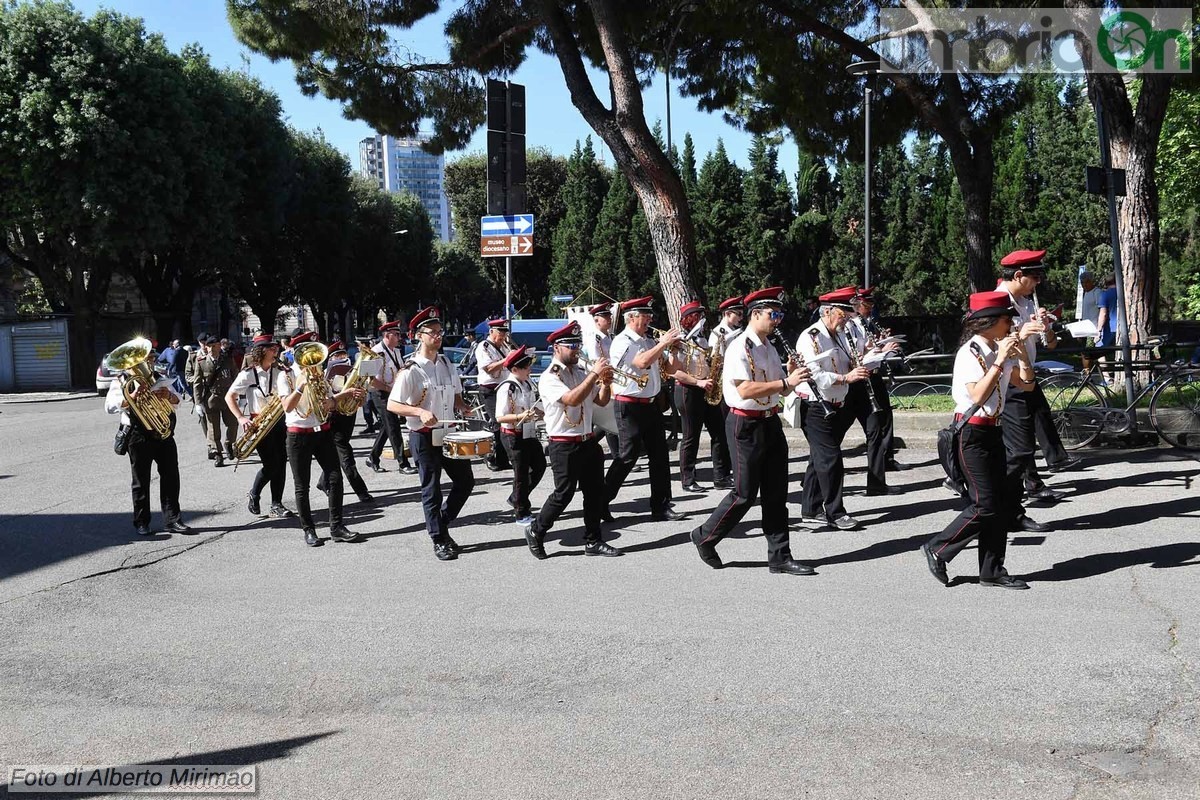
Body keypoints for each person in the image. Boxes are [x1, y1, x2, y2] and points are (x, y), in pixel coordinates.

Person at [688, 288, 814, 575]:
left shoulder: (768, 346)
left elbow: (775, 385)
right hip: (744, 424)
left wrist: (790, 376)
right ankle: (705, 536)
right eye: (773, 314)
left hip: (769, 421)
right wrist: (785, 383)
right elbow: (744, 388)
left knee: (776, 494)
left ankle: (780, 557)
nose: (778, 320)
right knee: (744, 493)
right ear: (755, 314)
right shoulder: (738, 347)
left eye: (780, 314)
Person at [921, 290, 1035, 590]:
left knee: (999, 504)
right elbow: (977, 394)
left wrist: (1021, 357)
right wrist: (999, 360)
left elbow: (1026, 385)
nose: (1012, 323)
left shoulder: (999, 348)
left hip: (993, 431)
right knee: (984, 504)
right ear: (989, 322)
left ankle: (992, 570)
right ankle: (938, 548)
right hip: (970, 432)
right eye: (1007, 318)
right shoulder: (970, 353)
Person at [520, 321, 618, 559]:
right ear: (556, 348)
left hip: (587, 440)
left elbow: (601, 402)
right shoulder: (549, 377)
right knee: (563, 494)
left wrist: (605, 383)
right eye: (570, 346)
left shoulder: (581, 373)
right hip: (564, 442)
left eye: (577, 345)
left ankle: (593, 540)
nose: (576, 350)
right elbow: (572, 400)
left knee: (594, 492)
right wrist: (595, 374)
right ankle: (537, 529)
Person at [387, 307, 476, 562]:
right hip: (424, 436)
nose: (438, 337)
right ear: (418, 336)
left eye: (440, 332)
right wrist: (418, 411)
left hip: (449, 433)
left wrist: (464, 408)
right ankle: (438, 538)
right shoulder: (411, 369)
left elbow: (455, 396)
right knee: (431, 489)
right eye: (432, 333)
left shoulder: (447, 363)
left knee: (465, 482)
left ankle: (441, 523)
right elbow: (393, 404)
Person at [998, 249, 1080, 520]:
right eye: (1034, 277)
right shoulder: (997, 303)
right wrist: (1021, 333)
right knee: (1019, 442)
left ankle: (1037, 480)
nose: (1038, 283)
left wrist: (1046, 328)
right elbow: (996, 349)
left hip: (1026, 373)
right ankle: (1002, 497)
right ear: (1018, 275)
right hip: (1007, 379)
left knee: (1036, 422)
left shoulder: (1026, 303)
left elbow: (1051, 345)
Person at [277, 329, 364, 547]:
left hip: (322, 431)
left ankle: (337, 527)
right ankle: (309, 530)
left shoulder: (318, 374)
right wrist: (299, 387)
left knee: (335, 478)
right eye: (308, 351)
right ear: (299, 352)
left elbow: (330, 403)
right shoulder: (286, 375)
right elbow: (287, 406)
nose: (313, 359)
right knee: (302, 486)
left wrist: (339, 399)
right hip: (298, 435)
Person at [603, 296, 686, 522]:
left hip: (650, 404)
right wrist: (663, 344)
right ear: (631, 318)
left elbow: (669, 369)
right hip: (629, 405)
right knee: (627, 456)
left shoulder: (648, 340)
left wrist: (675, 350)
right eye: (644, 315)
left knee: (660, 456)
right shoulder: (623, 341)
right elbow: (640, 363)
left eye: (649, 315)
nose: (649, 319)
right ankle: (601, 500)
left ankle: (661, 506)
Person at [796, 287, 870, 531]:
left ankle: (810, 508)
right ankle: (836, 512)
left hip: (837, 403)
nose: (847, 318)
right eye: (843, 313)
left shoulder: (838, 333)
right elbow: (814, 375)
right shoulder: (812, 336)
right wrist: (847, 378)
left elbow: (848, 359)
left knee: (820, 458)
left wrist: (866, 356)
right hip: (816, 405)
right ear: (827, 312)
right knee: (831, 459)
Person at [105, 357, 191, 537]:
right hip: (138, 436)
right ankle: (142, 522)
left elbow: (178, 402)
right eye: (144, 359)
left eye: (149, 358)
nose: (148, 361)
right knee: (141, 481)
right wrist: (131, 398)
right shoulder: (122, 381)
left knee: (171, 477)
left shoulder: (158, 377)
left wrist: (168, 395)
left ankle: (173, 519)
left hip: (164, 433)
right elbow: (110, 407)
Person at [225, 333, 292, 519]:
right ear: (261, 351)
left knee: (281, 464)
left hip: (280, 421)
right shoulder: (247, 374)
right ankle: (254, 493)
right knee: (271, 465)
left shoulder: (280, 371)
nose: (276, 350)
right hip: (259, 424)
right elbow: (229, 397)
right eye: (272, 348)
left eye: (276, 348)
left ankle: (276, 504)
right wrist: (240, 418)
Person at [847, 287, 907, 491]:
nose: (870, 309)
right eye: (867, 305)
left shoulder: (863, 324)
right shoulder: (850, 327)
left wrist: (882, 345)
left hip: (870, 378)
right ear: (857, 306)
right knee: (833, 438)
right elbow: (856, 358)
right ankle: (813, 479)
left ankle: (877, 482)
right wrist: (881, 349)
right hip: (856, 383)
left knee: (877, 429)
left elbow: (864, 350)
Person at [672, 300, 730, 493]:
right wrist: (698, 382)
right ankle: (688, 479)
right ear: (688, 319)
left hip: (706, 388)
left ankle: (720, 477)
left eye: (701, 315)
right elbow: (674, 372)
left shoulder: (701, 339)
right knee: (691, 436)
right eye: (697, 315)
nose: (701, 319)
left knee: (718, 432)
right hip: (688, 390)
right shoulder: (680, 340)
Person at [317, 341, 374, 505]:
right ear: (331, 358)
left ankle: (323, 482)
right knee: (346, 456)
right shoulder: (325, 376)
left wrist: (360, 397)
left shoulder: (352, 374)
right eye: (338, 356)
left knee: (336, 456)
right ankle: (362, 491)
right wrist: (347, 392)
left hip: (349, 417)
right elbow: (326, 402)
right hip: (334, 419)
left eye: (344, 355)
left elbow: (361, 402)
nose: (343, 359)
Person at [495, 345, 547, 524]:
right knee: (521, 474)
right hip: (513, 434)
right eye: (526, 367)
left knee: (540, 466)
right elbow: (500, 416)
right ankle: (521, 511)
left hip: (528, 432)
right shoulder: (508, 387)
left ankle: (517, 497)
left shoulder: (526, 383)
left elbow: (531, 405)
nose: (529, 369)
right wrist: (519, 416)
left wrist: (539, 413)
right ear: (515, 369)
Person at [366, 321, 417, 475]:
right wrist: (388, 388)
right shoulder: (375, 352)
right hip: (380, 393)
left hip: (391, 391)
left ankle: (373, 457)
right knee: (393, 426)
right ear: (387, 335)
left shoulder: (395, 351)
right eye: (396, 334)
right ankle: (403, 463)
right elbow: (369, 379)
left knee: (387, 427)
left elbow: (398, 368)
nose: (399, 337)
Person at [474, 318, 514, 471]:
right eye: (500, 332)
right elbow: (488, 368)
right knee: (497, 423)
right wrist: (506, 359)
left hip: (504, 387)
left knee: (505, 424)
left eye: (504, 332)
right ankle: (490, 456)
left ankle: (503, 460)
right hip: (490, 389)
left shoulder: (504, 346)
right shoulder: (483, 347)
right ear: (491, 332)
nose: (502, 336)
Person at [192, 335, 238, 467]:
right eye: (209, 346)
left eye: (214, 346)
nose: (212, 348)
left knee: (233, 423)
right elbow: (197, 383)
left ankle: (229, 443)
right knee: (213, 428)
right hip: (211, 399)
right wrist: (198, 402)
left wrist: (240, 395)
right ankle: (218, 453)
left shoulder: (228, 360)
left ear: (219, 346)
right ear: (206, 347)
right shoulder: (201, 362)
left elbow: (235, 377)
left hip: (228, 397)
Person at [583, 302, 621, 456]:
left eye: (609, 316)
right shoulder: (595, 339)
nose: (609, 319)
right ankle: (617, 454)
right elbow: (596, 361)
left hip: (611, 379)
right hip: (601, 380)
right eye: (605, 316)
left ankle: (589, 445)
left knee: (606, 418)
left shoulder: (609, 337)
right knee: (608, 416)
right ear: (596, 320)